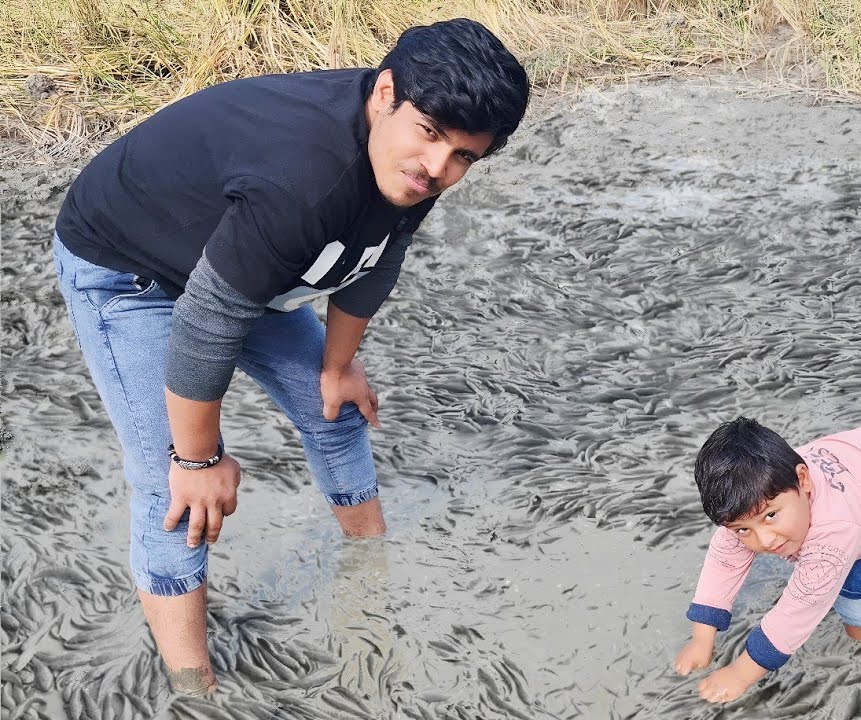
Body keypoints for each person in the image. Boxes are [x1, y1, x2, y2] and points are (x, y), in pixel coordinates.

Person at [51, 18, 529, 695]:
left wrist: (337, 366)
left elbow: (377, 254)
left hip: (239, 260)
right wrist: (199, 459)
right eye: (429, 135)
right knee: (174, 493)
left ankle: (369, 570)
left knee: (334, 411)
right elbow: (206, 323)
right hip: (130, 272)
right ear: (385, 93)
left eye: (463, 157)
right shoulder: (304, 178)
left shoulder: (410, 170)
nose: (438, 168)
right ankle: (195, 690)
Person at [673, 418, 861, 703]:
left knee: (855, 579)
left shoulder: (835, 530)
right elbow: (725, 557)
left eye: (771, 516)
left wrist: (740, 674)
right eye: (742, 529)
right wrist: (702, 636)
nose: (764, 541)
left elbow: (799, 609)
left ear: (803, 479)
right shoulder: (763, 488)